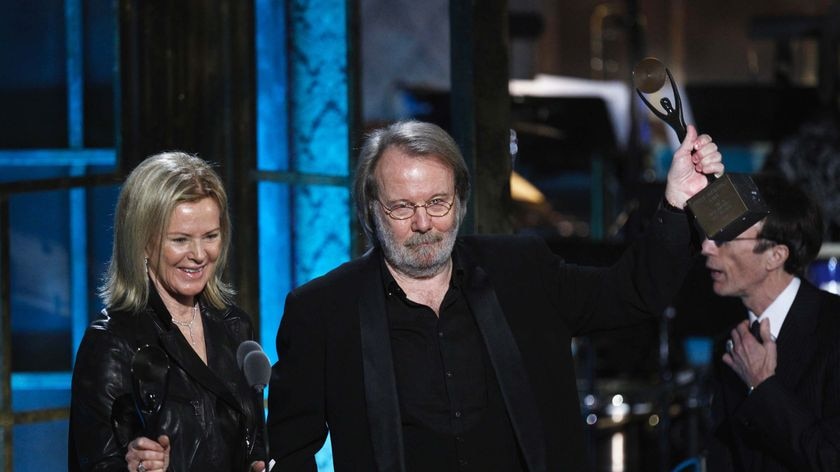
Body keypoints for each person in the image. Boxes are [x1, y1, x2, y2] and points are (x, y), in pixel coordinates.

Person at [267, 120, 723, 471]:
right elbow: (290, 452)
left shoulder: (521, 270)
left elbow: (631, 293)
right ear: (372, 209)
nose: (423, 223)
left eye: (437, 203)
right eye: (402, 207)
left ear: (460, 202)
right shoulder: (322, 311)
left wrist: (677, 203)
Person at [69, 152, 266, 472]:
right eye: (180, 240)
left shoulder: (235, 326)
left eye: (210, 237)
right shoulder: (112, 343)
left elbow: (251, 437)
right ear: (143, 243)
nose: (199, 255)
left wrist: (258, 462)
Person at [703, 174, 840, 471]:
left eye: (725, 238)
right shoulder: (730, 344)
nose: (707, 248)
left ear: (775, 255)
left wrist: (764, 387)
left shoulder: (833, 329)